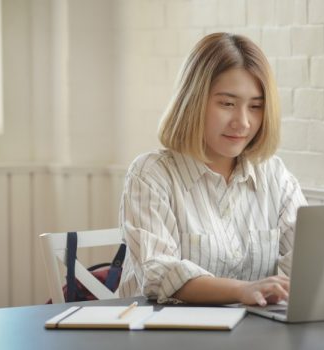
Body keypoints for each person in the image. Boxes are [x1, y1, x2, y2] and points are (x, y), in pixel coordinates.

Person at [116, 32, 307, 306]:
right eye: (227, 104)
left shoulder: (275, 176)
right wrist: (243, 290)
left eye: (255, 107)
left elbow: (308, 260)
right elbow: (158, 272)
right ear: (193, 102)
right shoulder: (150, 174)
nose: (242, 123)